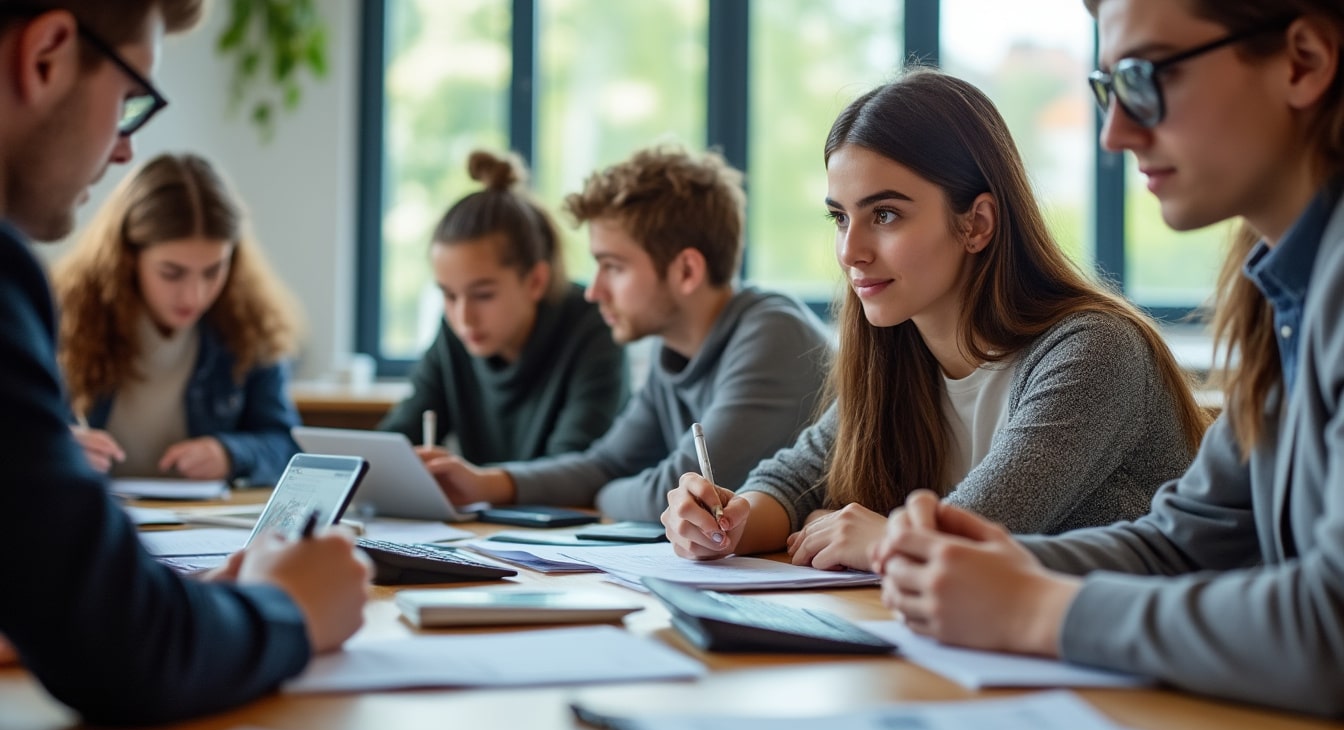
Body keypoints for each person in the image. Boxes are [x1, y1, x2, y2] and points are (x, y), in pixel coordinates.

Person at [873, 0, 1344, 717]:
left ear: (1303, 61)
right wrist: (990, 568)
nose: (1115, 134)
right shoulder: (1279, 297)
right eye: (1108, 90)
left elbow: (1332, 628)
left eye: (1144, 77)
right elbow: (1181, 547)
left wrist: (1039, 611)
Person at [663, 69, 1207, 572]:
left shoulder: (1094, 351)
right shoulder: (897, 351)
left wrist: (880, 539)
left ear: (977, 224)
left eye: (885, 215)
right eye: (840, 217)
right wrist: (725, 523)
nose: (851, 250)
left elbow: (969, 537)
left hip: (1132, 664)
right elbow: (793, 482)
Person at [0, 0, 370, 725]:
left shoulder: (248, 330)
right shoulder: (18, 286)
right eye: (131, 99)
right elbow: (128, 651)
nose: (121, 149)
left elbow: (275, 436)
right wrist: (286, 606)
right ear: (45, 55)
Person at [419, 145, 831, 522]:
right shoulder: (672, 351)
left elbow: (668, 497)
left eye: (613, 267)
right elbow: (604, 465)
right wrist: (484, 483)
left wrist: (605, 494)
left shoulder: (772, 336)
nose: (595, 291)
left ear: (686, 271)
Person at [52, 151, 303, 486]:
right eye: (172, 273)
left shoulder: (249, 323)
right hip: (96, 520)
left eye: (213, 271)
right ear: (127, 257)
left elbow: (286, 444)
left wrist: (231, 453)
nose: (194, 296)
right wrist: (54, 447)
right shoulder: (62, 317)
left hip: (199, 526)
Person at [380, 149, 627, 463]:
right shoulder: (455, 330)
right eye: (449, 295)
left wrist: (477, 483)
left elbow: (573, 470)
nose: (463, 317)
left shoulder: (593, 323)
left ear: (536, 281)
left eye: (483, 295)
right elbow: (402, 433)